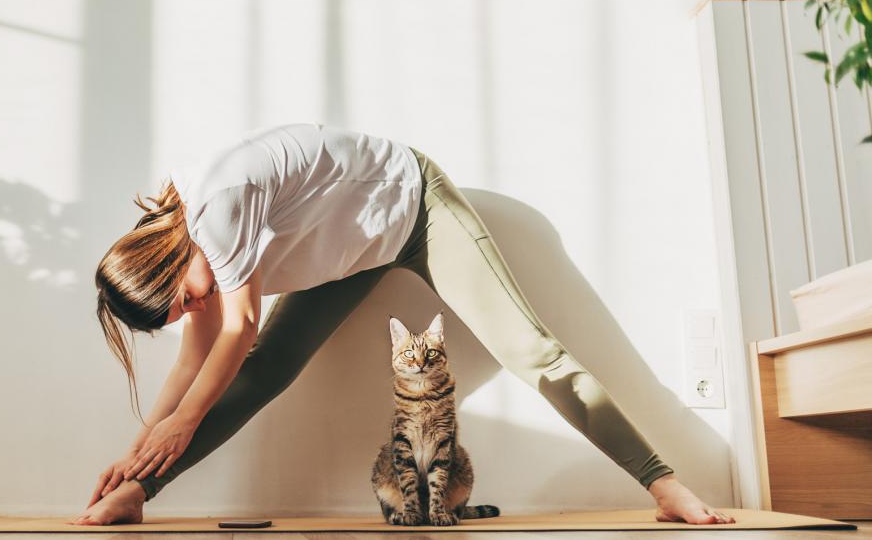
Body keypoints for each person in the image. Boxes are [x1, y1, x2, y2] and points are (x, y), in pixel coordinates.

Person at [70, 123, 734, 526]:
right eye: (183, 312)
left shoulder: (216, 206)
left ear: (166, 258)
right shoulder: (194, 251)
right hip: (351, 254)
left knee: (532, 352)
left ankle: (664, 484)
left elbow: (236, 329)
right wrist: (137, 458)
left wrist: (179, 424)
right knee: (263, 371)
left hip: (415, 207)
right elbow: (195, 362)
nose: (195, 309)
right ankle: (137, 497)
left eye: (184, 300)